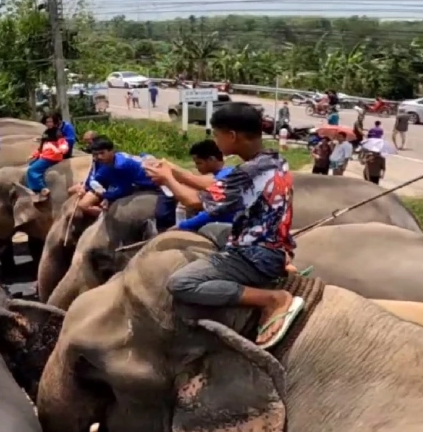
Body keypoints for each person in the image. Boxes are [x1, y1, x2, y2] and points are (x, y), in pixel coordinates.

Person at [143, 101, 302, 348]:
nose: (216, 141)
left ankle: (271, 299)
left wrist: (166, 179)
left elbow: (194, 202)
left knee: (181, 283)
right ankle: (282, 263)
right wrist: (175, 171)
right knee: (210, 229)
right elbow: (216, 188)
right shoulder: (271, 159)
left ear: (232, 136)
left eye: (217, 135)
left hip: (255, 254)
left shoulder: (246, 171)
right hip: (270, 241)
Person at [77, 137, 160, 218]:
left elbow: (123, 190)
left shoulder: (121, 165)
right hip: (133, 175)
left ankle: (104, 216)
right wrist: (84, 187)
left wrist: (105, 195)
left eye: (102, 153)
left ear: (112, 151)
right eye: (96, 154)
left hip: (150, 182)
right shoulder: (108, 161)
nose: (99, 157)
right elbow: (96, 177)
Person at [27, 113, 71, 200]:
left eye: (51, 121)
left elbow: (63, 144)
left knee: (32, 170)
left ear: (54, 122)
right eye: (47, 122)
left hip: (51, 157)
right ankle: (34, 188)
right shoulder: (46, 132)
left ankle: (42, 188)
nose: (49, 123)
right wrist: (34, 155)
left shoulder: (57, 132)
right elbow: (42, 146)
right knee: (31, 164)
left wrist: (61, 150)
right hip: (45, 155)